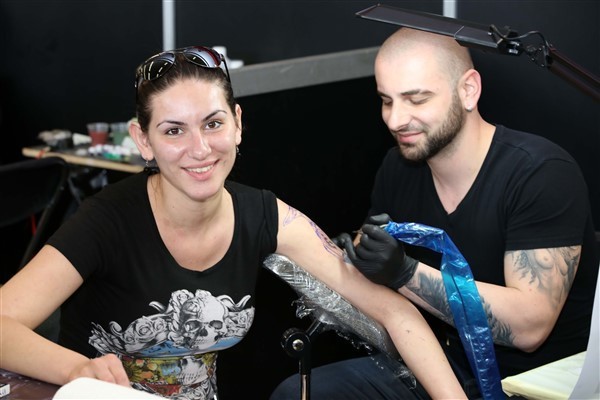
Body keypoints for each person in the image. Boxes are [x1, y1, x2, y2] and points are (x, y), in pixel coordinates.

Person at [0, 46, 468, 400]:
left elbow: (393, 312)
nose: (200, 149)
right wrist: (76, 369)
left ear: (238, 124)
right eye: (173, 130)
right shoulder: (107, 220)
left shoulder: (263, 214)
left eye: (213, 123)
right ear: (143, 141)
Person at [271, 28, 599, 399]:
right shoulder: (398, 167)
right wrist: (361, 259)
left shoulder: (540, 174)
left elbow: (529, 328)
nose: (395, 120)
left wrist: (403, 272)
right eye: (387, 101)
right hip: (442, 366)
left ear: (468, 90)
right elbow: (379, 270)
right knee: (298, 393)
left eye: (416, 99)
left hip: (529, 384)